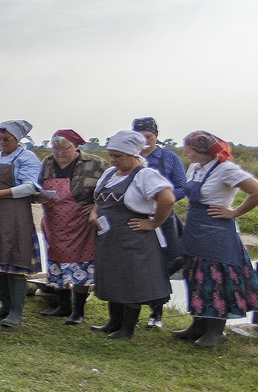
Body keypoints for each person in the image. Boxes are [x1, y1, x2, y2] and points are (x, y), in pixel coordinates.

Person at [175, 131, 258, 348]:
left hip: (217, 233)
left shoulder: (226, 169)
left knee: (214, 278)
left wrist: (234, 212)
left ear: (201, 150)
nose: (184, 152)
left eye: (188, 148)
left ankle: (216, 332)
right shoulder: (195, 168)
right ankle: (198, 325)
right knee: (195, 275)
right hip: (195, 229)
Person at [88, 130, 176, 341]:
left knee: (131, 282)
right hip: (108, 237)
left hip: (133, 239)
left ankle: (127, 328)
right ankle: (113, 322)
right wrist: (93, 213)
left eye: (117, 156)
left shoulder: (145, 175)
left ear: (132, 155)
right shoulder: (110, 174)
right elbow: (99, 200)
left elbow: (168, 199)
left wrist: (153, 222)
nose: (113, 160)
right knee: (112, 278)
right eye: (111, 155)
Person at [0, 120, 42, 328]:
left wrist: (0, 193)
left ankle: (16, 311)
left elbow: (30, 186)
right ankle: (4, 304)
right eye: (0, 139)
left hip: (14, 213)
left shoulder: (27, 158)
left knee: (15, 258)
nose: (2, 142)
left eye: (6, 139)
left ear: (17, 139)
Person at [37, 130, 106, 325]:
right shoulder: (47, 163)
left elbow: (109, 187)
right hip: (54, 220)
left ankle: (78, 312)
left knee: (80, 265)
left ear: (75, 147)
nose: (59, 152)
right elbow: (36, 185)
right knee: (56, 261)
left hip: (80, 222)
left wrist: (95, 206)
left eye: (64, 148)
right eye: (55, 147)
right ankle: (63, 306)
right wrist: (38, 195)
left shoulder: (96, 163)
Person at [133, 117, 187, 328]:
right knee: (137, 263)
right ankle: (131, 308)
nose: (145, 141)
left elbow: (183, 187)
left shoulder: (169, 158)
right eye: (140, 137)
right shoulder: (130, 157)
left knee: (165, 263)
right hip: (137, 217)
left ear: (156, 135)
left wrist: (162, 199)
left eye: (149, 136)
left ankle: (157, 314)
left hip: (164, 219)